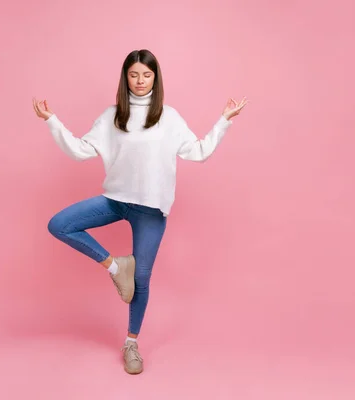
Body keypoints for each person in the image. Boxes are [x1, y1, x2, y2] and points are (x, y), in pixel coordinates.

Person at [32, 49, 247, 374]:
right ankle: (115, 266)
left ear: (155, 78)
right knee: (60, 224)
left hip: (151, 211)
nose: (140, 81)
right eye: (134, 75)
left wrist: (223, 121)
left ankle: (131, 343)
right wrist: (52, 121)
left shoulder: (169, 116)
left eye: (147, 75)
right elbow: (79, 150)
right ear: (125, 78)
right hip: (117, 200)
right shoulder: (112, 116)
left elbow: (199, 152)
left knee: (142, 279)